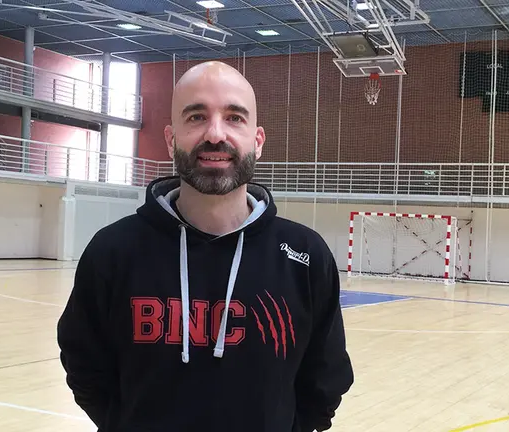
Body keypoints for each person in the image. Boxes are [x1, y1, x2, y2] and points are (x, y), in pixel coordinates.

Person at [56, 61, 354, 432]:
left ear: (257, 141)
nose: (215, 134)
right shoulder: (113, 251)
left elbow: (325, 381)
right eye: (196, 117)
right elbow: (84, 366)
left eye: (234, 118)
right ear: (170, 139)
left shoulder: (304, 256)